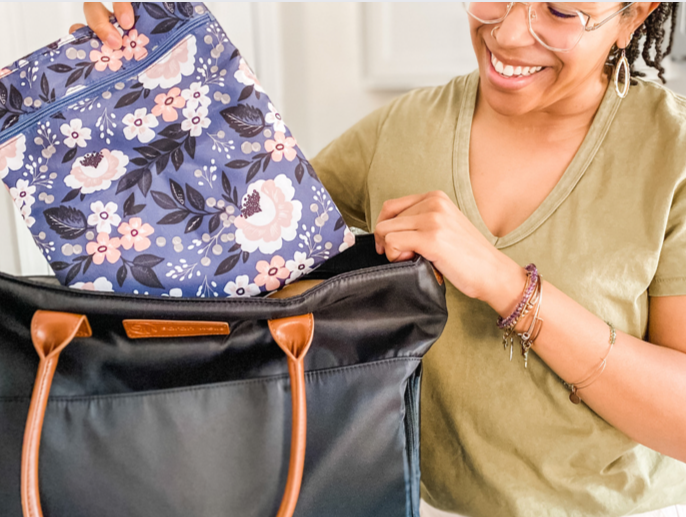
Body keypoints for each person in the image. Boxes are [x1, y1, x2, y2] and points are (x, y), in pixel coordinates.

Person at [75, 3, 686, 516]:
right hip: (415, 504)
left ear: (634, 14)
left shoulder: (672, 159)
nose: (507, 31)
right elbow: (219, 248)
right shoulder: (403, 129)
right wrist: (148, 69)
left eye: (559, 9)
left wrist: (505, 285)